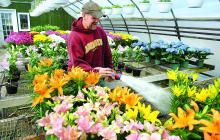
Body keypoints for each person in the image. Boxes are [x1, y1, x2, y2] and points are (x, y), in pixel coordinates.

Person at [67, 1, 114, 79]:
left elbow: (107, 53)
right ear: (84, 15)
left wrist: (109, 69)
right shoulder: (75, 36)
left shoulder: (100, 31)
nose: (97, 20)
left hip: (97, 76)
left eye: (98, 18)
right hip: (80, 78)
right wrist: (95, 72)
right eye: (94, 18)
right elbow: (78, 63)